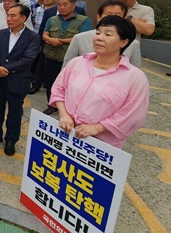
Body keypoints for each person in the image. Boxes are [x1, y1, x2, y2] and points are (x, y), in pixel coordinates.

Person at [52, 16, 149, 149]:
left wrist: (98, 128)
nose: (99, 38)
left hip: (100, 146)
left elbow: (133, 114)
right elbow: (58, 90)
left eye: (108, 34)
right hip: (65, 132)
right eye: (98, 33)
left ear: (124, 42)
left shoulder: (135, 77)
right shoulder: (77, 63)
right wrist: (64, 115)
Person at [0, 4, 41, 156]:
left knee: (15, 111)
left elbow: (28, 59)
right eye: (8, 15)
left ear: (23, 18)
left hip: (18, 80)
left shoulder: (33, 37)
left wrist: (5, 69)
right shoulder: (2, 34)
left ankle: (11, 140)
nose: (9, 18)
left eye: (13, 16)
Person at [42, 0, 91, 115]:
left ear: (74, 6)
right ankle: (52, 104)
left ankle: (68, 107)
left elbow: (82, 38)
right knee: (51, 82)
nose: (62, 7)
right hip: (52, 56)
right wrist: (50, 39)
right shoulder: (52, 19)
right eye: (59, 4)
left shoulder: (83, 20)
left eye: (65, 4)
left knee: (70, 84)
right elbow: (44, 34)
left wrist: (60, 41)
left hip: (71, 60)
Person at [63, 0, 142, 68]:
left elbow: (135, 69)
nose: (112, 19)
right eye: (109, 15)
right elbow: (66, 68)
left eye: (118, 16)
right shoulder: (79, 38)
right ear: (99, 17)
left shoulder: (132, 43)